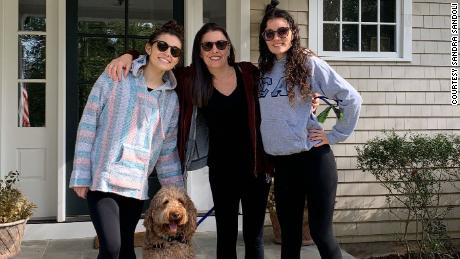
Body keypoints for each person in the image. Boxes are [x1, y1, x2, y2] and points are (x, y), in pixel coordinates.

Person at [106, 23, 271, 259]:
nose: (215, 50)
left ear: (228, 48)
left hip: (255, 167)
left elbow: (278, 80)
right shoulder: (190, 78)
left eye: (221, 44)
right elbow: (159, 60)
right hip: (222, 170)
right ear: (200, 51)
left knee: (253, 236)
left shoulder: (247, 73)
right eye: (208, 45)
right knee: (225, 234)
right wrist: (129, 55)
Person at [69, 21, 185, 259]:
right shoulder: (116, 76)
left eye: (175, 51)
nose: (168, 53)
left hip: (135, 185)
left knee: (126, 250)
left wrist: (177, 195)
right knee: (111, 248)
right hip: (104, 179)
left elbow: (167, 150)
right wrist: (81, 174)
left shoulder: (172, 99)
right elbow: (88, 123)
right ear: (148, 48)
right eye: (162, 46)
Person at [258, 1, 363, 259]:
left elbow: (351, 98)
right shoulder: (264, 69)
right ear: (263, 38)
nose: (276, 37)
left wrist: (335, 135)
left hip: (314, 159)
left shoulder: (307, 63)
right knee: (289, 237)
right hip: (284, 164)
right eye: (269, 33)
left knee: (320, 233)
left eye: (282, 31)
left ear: (293, 32)